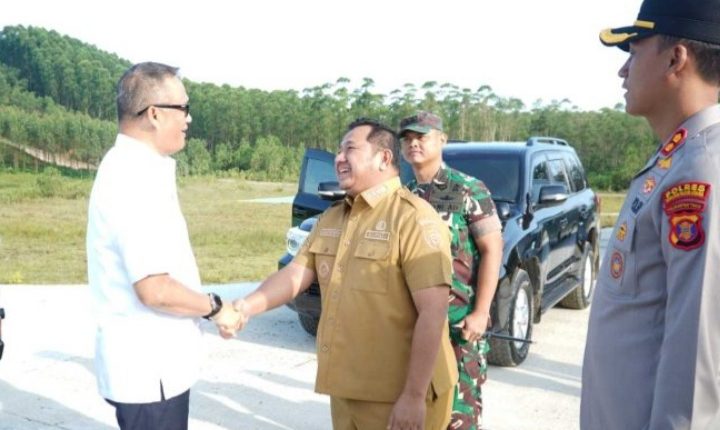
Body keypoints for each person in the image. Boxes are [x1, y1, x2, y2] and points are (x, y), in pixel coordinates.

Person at [233, 118, 458, 430]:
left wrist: (414, 395)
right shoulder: (332, 218)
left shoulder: (413, 218)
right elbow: (295, 275)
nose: (339, 158)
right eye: (339, 150)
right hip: (348, 388)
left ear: (384, 158)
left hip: (399, 394)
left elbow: (433, 312)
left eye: (350, 149)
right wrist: (245, 306)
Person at [582, 0, 720, 428]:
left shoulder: (703, 168)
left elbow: (697, 355)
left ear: (676, 59)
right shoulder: (678, 157)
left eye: (634, 51)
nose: (623, 71)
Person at [86, 62, 243, 430]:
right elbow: (154, 289)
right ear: (154, 114)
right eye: (183, 108)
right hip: (149, 370)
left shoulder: (139, 168)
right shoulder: (132, 177)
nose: (189, 118)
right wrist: (215, 308)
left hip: (153, 367)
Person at [399, 112, 503, 430]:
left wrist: (481, 312)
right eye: (407, 138)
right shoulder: (404, 195)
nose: (414, 143)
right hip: (416, 325)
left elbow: (492, 249)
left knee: (459, 416)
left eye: (422, 136)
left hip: (458, 324)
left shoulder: (467, 189)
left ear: (442, 140)